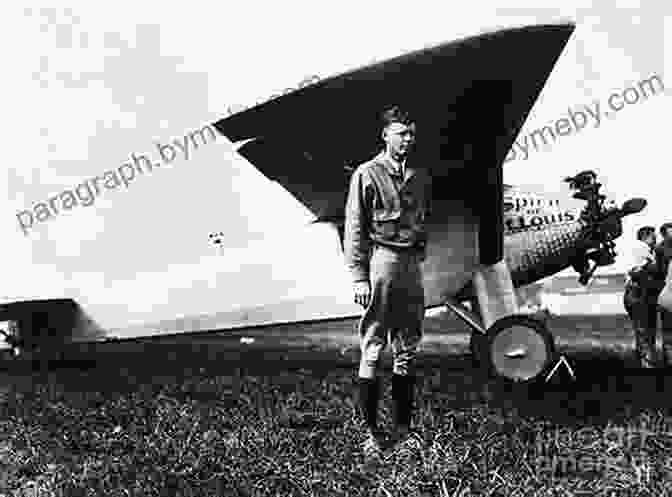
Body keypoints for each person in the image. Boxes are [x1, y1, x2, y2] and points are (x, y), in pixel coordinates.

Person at [344, 106, 432, 463]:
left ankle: (403, 431)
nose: (407, 139)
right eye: (400, 132)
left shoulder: (418, 174)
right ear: (385, 135)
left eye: (411, 133)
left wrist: (418, 254)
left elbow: (421, 218)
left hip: (411, 264)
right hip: (381, 262)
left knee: (408, 345)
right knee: (374, 346)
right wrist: (359, 276)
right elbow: (354, 227)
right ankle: (369, 434)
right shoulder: (367, 174)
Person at [623, 226, 659, 367]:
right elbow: (639, 270)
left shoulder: (636, 248)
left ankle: (642, 361)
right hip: (637, 292)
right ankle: (646, 363)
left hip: (631, 293)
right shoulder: (642, 248)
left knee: (640, 329)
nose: (655, 239)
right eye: (653, 236)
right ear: (647, 237)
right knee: (644, 329)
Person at [654, 222, 672, 366]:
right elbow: (659, 271)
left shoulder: (660, 249)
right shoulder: (660, 249)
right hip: (666, 292)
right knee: (667, 330)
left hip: (665, 292)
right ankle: (668, 360)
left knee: (667, 330)